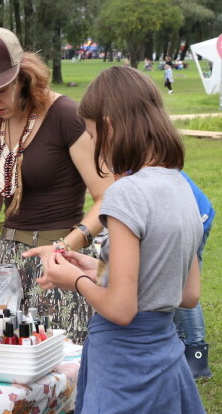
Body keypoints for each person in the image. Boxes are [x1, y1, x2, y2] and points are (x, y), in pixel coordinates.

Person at [28, 66, 204, 413]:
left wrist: (75, 280)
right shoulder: (181, 185)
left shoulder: (126, 192)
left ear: (108, 126)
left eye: (92, 136)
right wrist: (98, 269)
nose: (95, 146)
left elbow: (121, 310)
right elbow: (187, 293)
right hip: (164, 357)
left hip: (124, 365)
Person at [0, 28, 113, 343]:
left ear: (24, 76)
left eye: (1, 89)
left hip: (61, 261)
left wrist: (65, 247)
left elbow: (106, 196)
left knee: (61, 363)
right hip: (8, 262)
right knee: (5, 357)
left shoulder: (64, 115)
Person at [175, 170, 214, 379]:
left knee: (184, 291)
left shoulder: (136, 162)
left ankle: (197, 357)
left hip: (194, 221)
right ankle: (179, 347)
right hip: (184, 221)